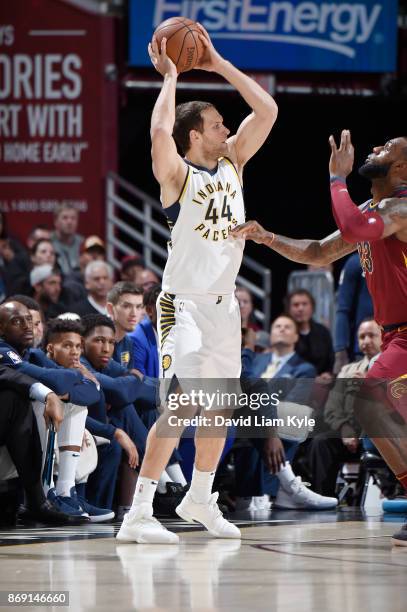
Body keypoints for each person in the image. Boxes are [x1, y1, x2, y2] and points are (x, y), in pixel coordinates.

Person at [117, 24, 278, 544]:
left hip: (224, 308)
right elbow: (160, 133)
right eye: (216, 123)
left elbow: (268, 110)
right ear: (196, 135)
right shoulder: (178, 176)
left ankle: (201, 498)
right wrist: (171, 76)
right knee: (182, 403)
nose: (226, 127)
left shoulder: (232, 163)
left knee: (221, 407)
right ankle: (137, 514)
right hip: (180, 305)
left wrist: (217, 63)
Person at [231, 131, 407, 545]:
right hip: (394, 335)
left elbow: (352, 225)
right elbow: (317, 252)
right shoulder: (372, 209)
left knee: (366, 399)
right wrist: (269, 237)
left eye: (387, 148)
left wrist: (336, 179)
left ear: (401, 168)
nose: (375, 147)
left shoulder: (401, 207)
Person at [309, 319, 382, 496]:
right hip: (348, 433)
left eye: (371, 335)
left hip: (378, 437)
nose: (366, 341)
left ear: (383, 338)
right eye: (361, 337)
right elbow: (332, 407)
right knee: (320, 442)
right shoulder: (348, 370)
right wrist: (344, 428)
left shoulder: (391, 369)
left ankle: (363, 501)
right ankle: (323, 497)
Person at [334, 252, 373, 373]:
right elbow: (343, 310)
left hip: (396, 345)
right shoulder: (357, 262)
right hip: (363, 351)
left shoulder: (400, 258)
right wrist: (340, 351)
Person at [285, 289, 334, 380]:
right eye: (296, 305)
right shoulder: (285, 332)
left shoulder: (322, 332)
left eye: (304, 304)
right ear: (289, 309)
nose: (300, 308)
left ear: (312, 308)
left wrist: (327, 374)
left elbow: (330, 360)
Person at [107, 282, 144, 370]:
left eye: (138, 307)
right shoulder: (96, 339)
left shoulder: (128, 342)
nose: (134, 313)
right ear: (110, 309)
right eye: (126, 306)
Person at [51, 203, 84, 275]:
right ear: (55, 222)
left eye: (73, 218)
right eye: (65, 218)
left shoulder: (83, 244)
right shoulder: (48, 242)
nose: (69, 222)